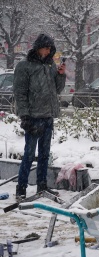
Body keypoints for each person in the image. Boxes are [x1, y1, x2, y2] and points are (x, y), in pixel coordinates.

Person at [14, 33, 66, 199]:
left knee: (45, 154)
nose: (48, 50)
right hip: (33, 117)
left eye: (50, 48)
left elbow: (57, 90)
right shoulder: (25, 66)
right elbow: (20, 93)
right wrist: (25, 116)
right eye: (46, 47)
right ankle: (21, 188)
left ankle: (41, 186)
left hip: (48, 116)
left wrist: (60, 75)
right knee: (29, 154)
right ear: (38, 48)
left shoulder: (50, 65)